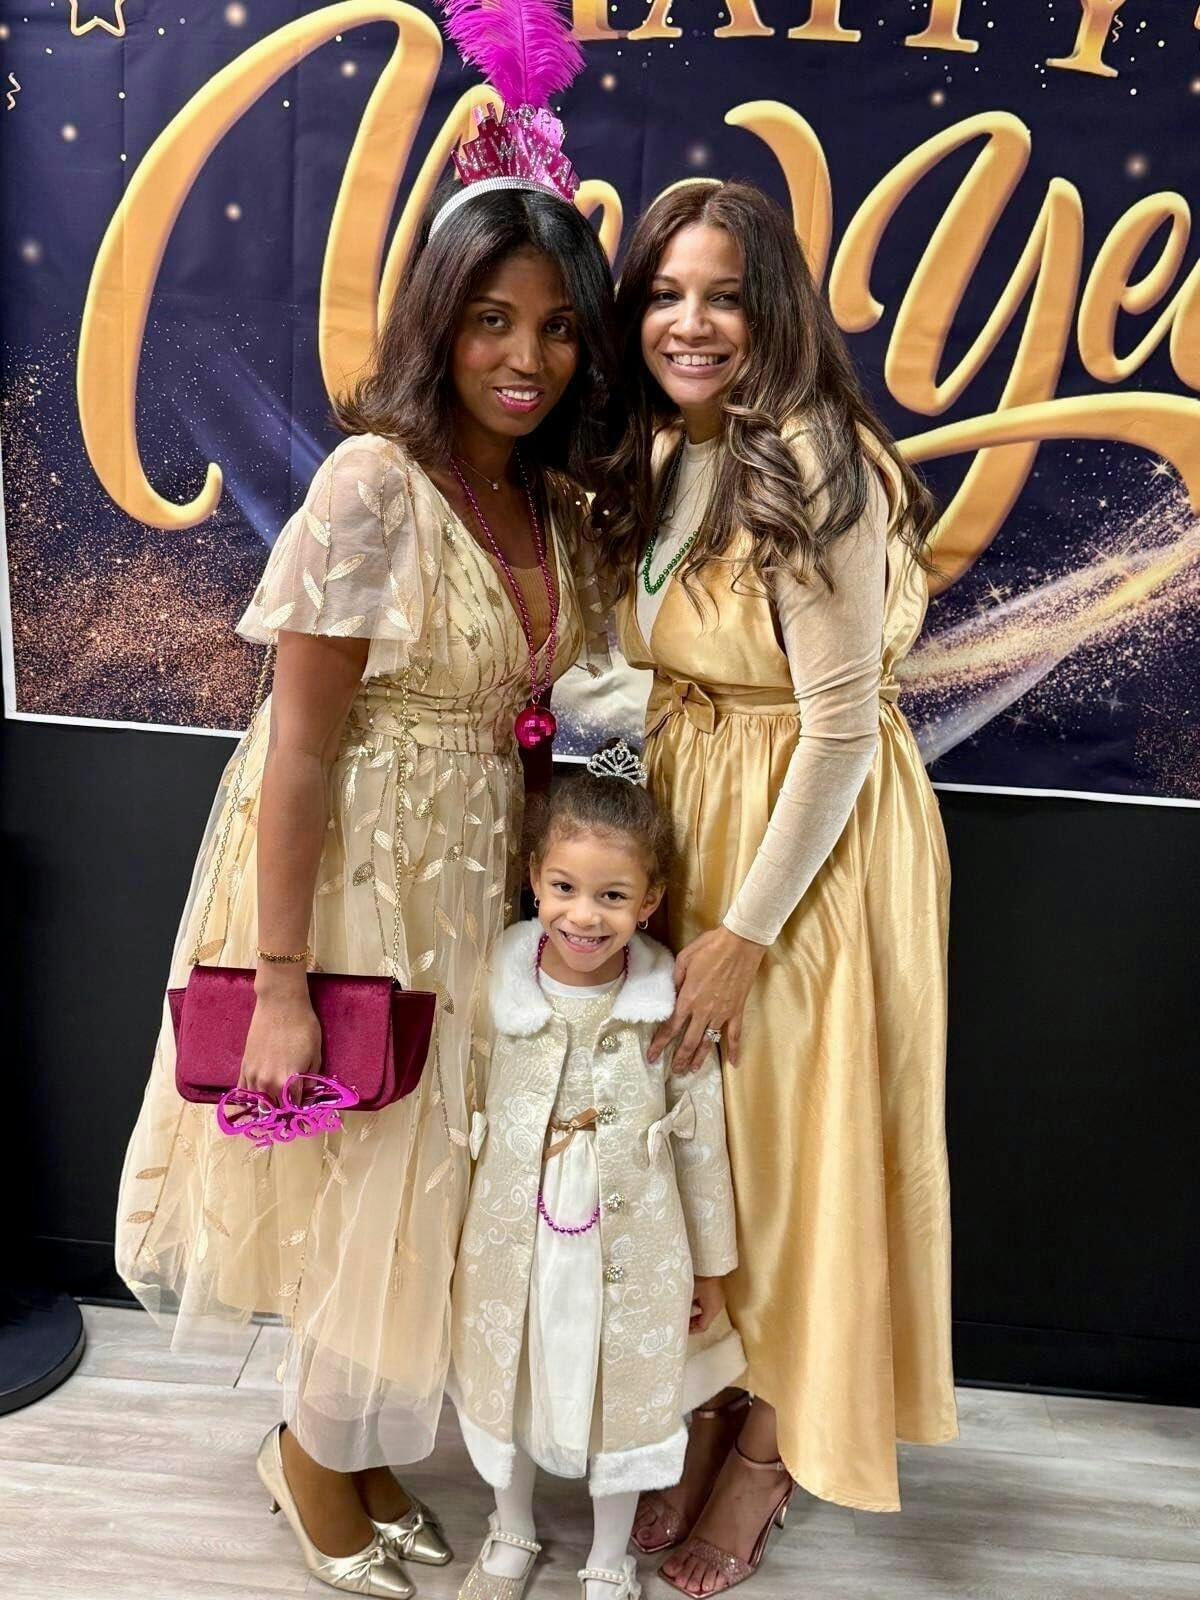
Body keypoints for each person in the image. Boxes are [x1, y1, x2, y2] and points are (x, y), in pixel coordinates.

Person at [113, 92, 617, 1600]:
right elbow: (297, 747)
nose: (525, 357)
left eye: (556, 328)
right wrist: (280, 981)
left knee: (425, 1184)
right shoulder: (372, 484)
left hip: (466, 882)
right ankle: (311, 1455)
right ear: (436, 324)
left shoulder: (546, 500)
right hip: (348, 881)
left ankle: (347, 1440)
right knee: (359, 1168)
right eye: (490, 320)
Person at [592, 180, 957, 1594]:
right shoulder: (670, 445)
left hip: (811, 845)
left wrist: (745, 931)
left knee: (801, 1150)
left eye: (725, 296)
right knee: (718, 1149)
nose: (690, 323)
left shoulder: (814, 454)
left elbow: (844, 727)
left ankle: (772, 1445)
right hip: (699, 812)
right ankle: (715, 1396)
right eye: (665, 293)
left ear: (777, 310)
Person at [449, 746, 746, 1600]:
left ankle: (610, 1553)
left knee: (627, 1390)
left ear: (649, 901)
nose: (584, 916)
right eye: (565, 889)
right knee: (509, 1373)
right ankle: (510, 1527)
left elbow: (701, 1143)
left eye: (613, 896)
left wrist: (713, 1270)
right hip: (514, 1230)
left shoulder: (667, 1005)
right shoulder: (493, 984)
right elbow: (456, 1107)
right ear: (534, 884)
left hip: (634, 1238)